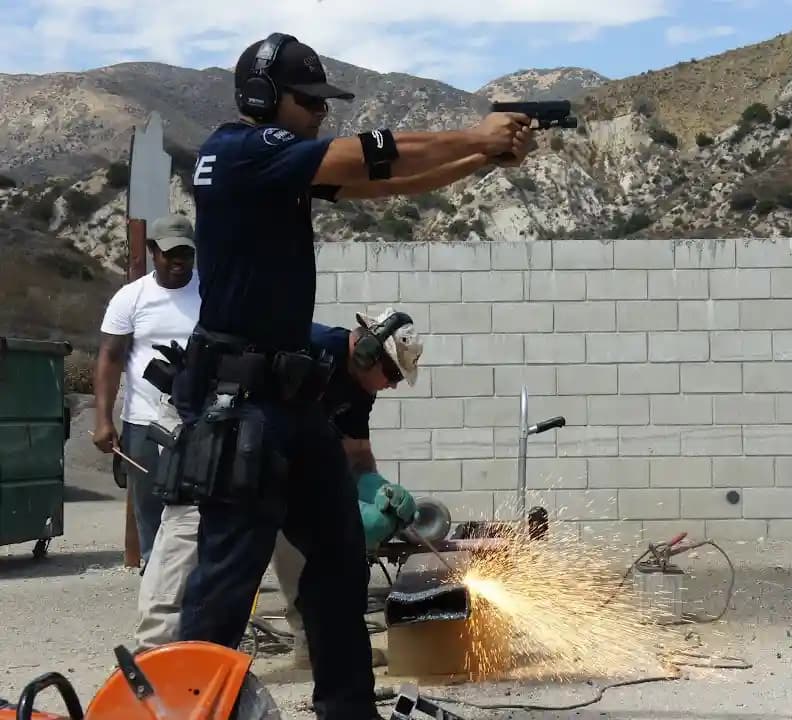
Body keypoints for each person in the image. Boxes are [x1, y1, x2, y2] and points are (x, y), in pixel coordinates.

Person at [163, 31, 536, 720]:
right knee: (224, 585)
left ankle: (347, 710)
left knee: (337, 565)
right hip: (244, 406)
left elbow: (386, 181)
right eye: (308, 102)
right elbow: (366, 154)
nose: (319, 113)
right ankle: (184, 711)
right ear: (263, 97)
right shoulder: (242, 150)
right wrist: (474, 134)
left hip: (291, 405)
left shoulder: (278, 167)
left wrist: (481, 158)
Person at [134, 309, 422, 659]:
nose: (393, 384)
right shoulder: (306, 344)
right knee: (191, 528)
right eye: (392, 373)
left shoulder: (360, 389)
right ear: (367, 352)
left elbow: (357, 454)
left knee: (304, 538)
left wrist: (374, 491)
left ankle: (317, 645)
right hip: (209, 417)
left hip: (269, 438)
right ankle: (154, 656)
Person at [93, 213, 200, 566]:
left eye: (186, 252)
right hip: (144, 423)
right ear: (153, 251)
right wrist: (103, 420)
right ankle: (155, 581)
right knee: (151, 509)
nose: (179, 260)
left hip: (200, 422)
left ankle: (196, 587)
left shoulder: (210, 293)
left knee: (199, 509)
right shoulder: (132, 297)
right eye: (170, 253)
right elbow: (110, 358)